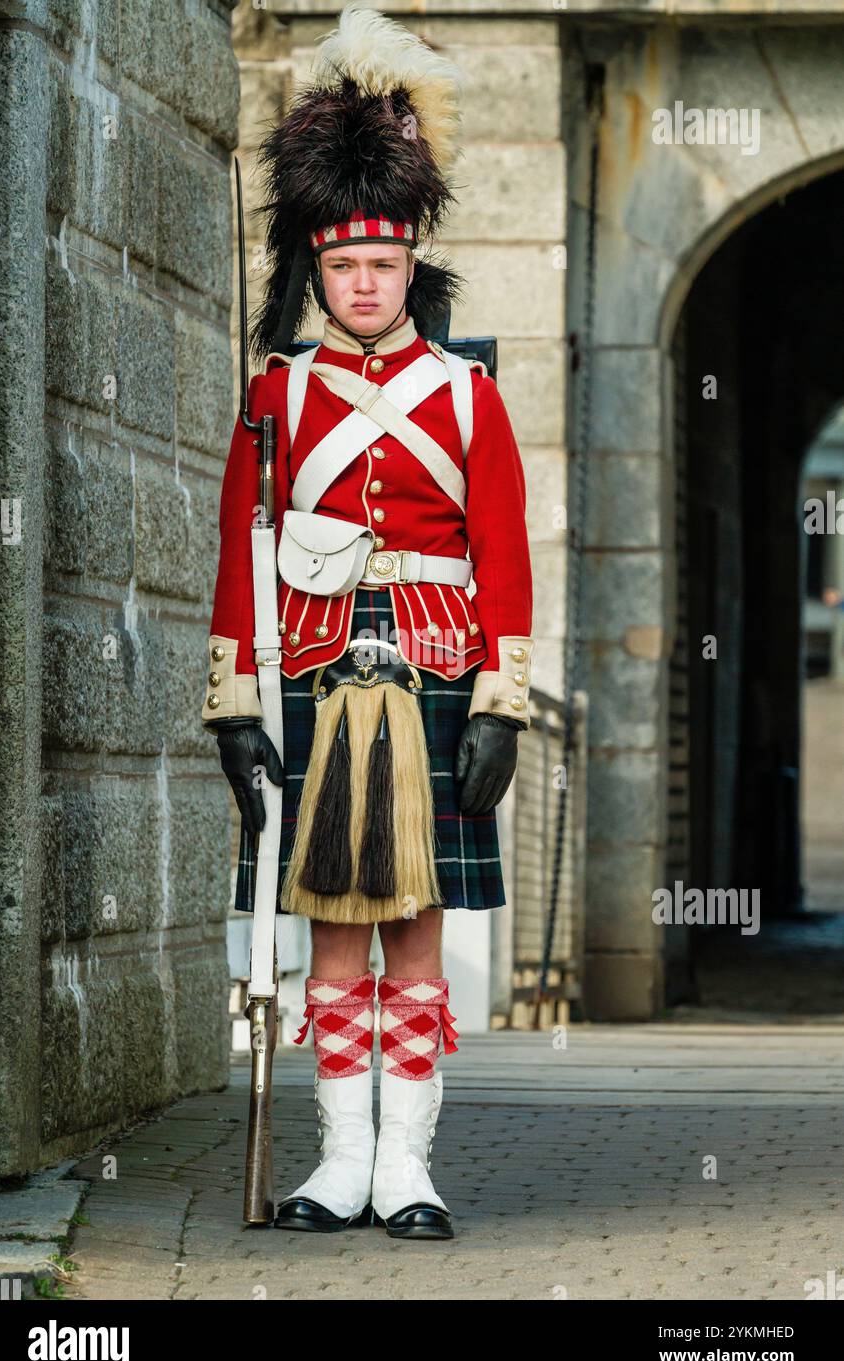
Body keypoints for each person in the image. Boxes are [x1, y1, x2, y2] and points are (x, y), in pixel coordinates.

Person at [201, 2, 534, 1240]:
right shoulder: (274, 395)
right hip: (314, 672)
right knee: (329, 936)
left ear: (409, 267)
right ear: (318, 268)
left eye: (381, 266)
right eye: (340, 266)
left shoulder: (468, 397)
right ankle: (339, 1166)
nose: (360, 283)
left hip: (440, 669)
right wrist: (235, 710)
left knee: (415, 932)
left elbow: (503, 554)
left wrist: (499, 704)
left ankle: (409, 1167)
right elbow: (239, 556)